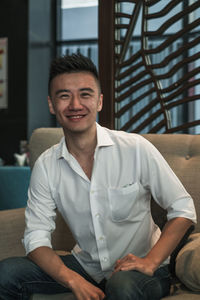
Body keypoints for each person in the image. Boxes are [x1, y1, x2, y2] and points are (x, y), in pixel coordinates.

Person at [0, 53, 197, 300]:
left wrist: (151, 261)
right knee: (6, 273)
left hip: (144, 270)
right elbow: (35, 238)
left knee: (121, 286)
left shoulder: (135, 148)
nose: (75, 105)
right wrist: (73, 280)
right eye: (64, 96)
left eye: (85, 94)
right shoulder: (47, 165)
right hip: (88, 267)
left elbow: (183, 208)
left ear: (99, 101)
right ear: (52, 104)